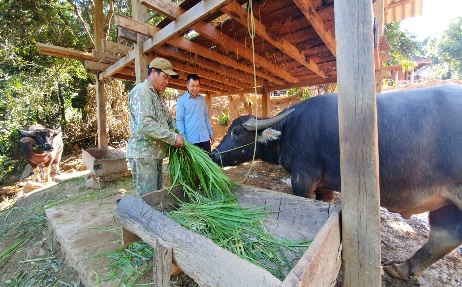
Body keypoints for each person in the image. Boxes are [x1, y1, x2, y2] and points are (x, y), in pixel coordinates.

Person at [126, 57, 184, 197]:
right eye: (164, 77)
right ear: (153, 72)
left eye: (169, 79)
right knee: (148, 198)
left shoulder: (157, 95)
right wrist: (171, 137)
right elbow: (145, 124)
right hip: (144, 156)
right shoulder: (142, 91)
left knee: (156, 195)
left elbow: (168, 120)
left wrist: (178, 133)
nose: (167, 82)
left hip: (154, 155)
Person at [176, 74, 214, 153]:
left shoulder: (202, 99)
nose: (195, 89)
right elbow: (179, 120)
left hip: (205, 138)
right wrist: (183, 137)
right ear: (187, 85)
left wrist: (211, 133)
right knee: (194, 165)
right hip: (191, 140)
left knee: (207, 162)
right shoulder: (182, 101)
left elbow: (206, 117)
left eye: (197, 86)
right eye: (192, 86)